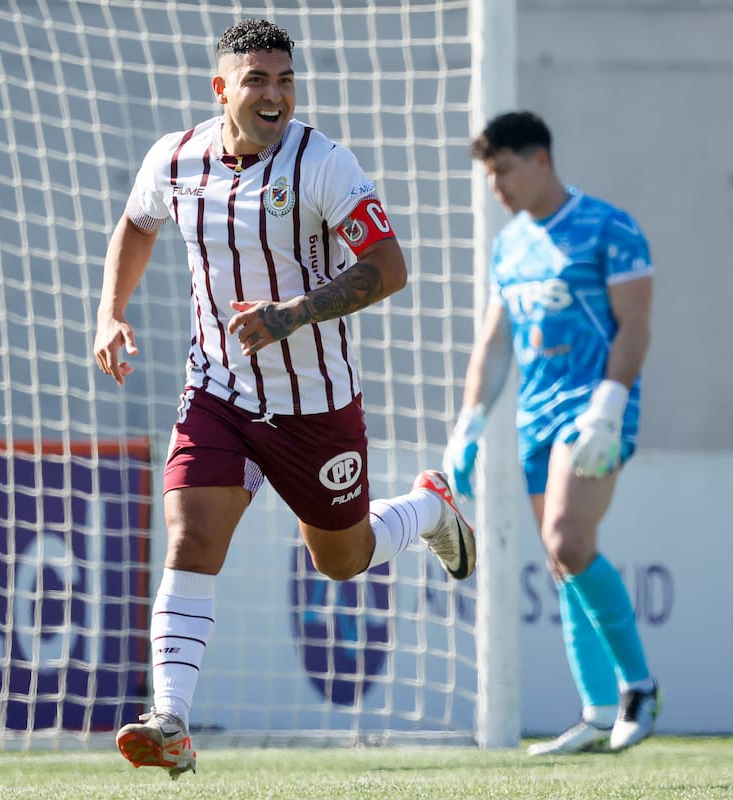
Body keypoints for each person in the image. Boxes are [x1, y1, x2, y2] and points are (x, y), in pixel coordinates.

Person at [93, 19, 476, 780]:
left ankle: (429, 508)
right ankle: (170, 718)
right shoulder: (175, 158)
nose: (275, 96)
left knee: (341, 559)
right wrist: (110, 311)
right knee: (190, 538)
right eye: (258, 81)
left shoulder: (324, 163)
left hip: (315, 402)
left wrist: (292, 314)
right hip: (219, 389)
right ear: (222, 89)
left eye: (285, 80)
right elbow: (136, 223)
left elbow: (389, 266)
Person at [443, 110, 659, 755]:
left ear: (540, 160)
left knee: (568, 537)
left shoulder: (608, 227)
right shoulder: (509, 245)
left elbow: (636, 325)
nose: (496, 186)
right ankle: (595, 714)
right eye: (488, 175)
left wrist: (609, 406)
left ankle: (639, 688)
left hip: (592, 412)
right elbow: (494, 343)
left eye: (504, 170)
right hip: (535, 420)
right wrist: (470, 425)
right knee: (562, 562)